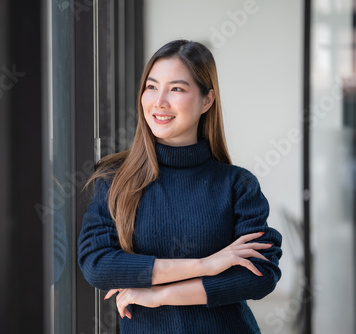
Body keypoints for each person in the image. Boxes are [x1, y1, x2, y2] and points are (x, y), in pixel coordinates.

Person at [78, 39, 282, 333]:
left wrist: (159, 295)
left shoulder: (237, 184)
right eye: (151, 86)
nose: (159, 101)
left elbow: (261, 273)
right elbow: (97, 264)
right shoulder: (114, 178)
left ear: (207, 100)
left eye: (176, 89)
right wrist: (205, 265)